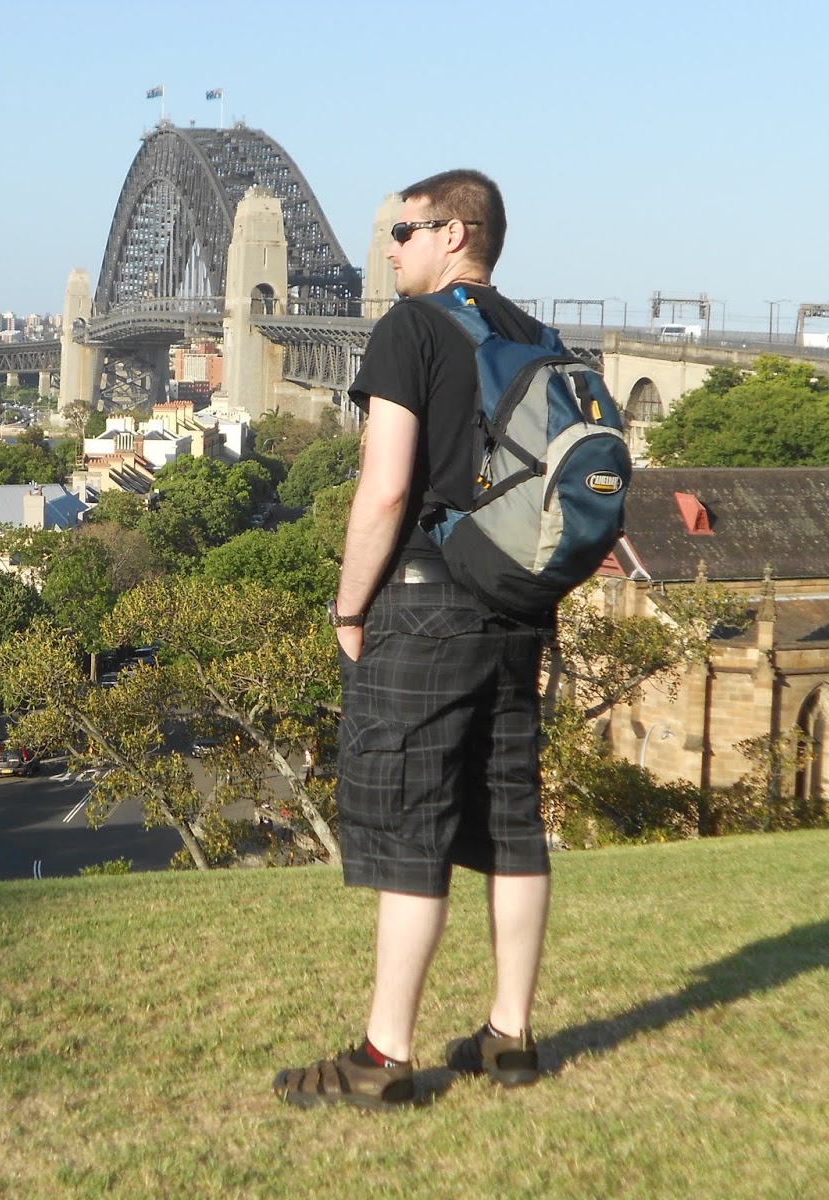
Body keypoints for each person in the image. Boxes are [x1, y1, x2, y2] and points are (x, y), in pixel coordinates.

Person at [273, 169, 550, 1111]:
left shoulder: (411, 329)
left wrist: (349, 607)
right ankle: (510, 1036)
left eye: (404, 230)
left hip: (427, 605)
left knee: (411, 822)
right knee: (512, 818)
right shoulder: (536, 337)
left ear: (455, 233)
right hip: (518, 607)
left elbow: (386, 486)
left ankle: (382, 1057)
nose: (389, 248)